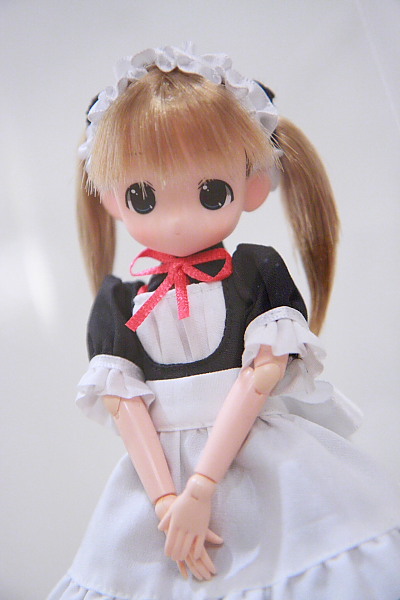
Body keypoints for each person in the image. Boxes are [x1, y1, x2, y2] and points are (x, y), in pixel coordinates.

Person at [48, 44, 400, 599]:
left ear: (254, 187)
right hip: (161, 485)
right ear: (114, 200)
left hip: (259, 458)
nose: (177, 219)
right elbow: (127, 410)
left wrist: (202, 487)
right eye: (144, 196)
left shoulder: (256, 273)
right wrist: (167, 499)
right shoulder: (118, 303)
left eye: (211, 192)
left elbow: (259, 379)